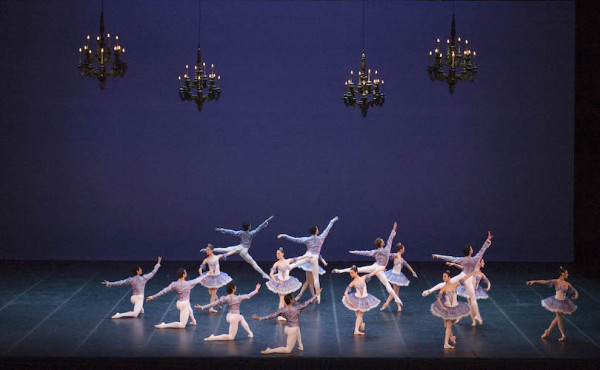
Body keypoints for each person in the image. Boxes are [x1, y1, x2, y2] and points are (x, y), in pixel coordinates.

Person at [332, 222, 403, 311]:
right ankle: (397, 298)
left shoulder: (375, 251)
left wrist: (356, 252)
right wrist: (393, 230)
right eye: (382, 241)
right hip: (379, 268)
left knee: (358, 269)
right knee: (387, 285)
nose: (384, 241)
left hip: (375, 266)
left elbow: (365, 252)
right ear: (381, 244)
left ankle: (340, 270)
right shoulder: (387, 249)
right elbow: (390, 239)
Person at [431, 231, 492, 325]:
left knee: (448, 283)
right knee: (473, 298)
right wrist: (487, 240)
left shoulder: (462, 260)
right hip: (469, 278)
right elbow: (482, 250)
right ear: (470, 251)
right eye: (471, 249)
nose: (472, 249)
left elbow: (450, 258)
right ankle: (478, 316)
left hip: (463, 275)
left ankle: (430, 290)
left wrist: (438, 256)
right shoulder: (475, 259)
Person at [278, 216, 339, 303]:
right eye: (317, 229)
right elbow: (327, 229)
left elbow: (295, 239)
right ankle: (318, 298)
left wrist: (284, 235)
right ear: (316, 231)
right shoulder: (321, 238)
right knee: (316, 278)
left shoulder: (307, 239)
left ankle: (283, 270)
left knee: (295, 264)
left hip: (308, 255)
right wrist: (332, 221)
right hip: (314, 257)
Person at [422, 269, 479, 349]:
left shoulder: (455, 285)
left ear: (449, 277)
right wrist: (442, 307)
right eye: (443, 277)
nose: (443, 278)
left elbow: (465, 278)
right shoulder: (443, 288)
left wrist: (473, 272)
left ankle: (446, 344)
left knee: (448, 326)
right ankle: (451, 337)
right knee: (446, 326)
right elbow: (438, 299)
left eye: (445, 277)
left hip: (454, 309)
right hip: (446, 308)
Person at [252, 289, 321, 354]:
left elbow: (271, 316)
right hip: (292, 330)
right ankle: (270, 350)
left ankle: (300, 345)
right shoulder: (297, 308)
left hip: (287, 328)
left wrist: (260, 318)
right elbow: (307, 302)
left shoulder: (282, 310)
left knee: (297, 328)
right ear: (291, 301)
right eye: (292, 298)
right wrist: (316, 295)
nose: (293, 298)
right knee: (288, 350)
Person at [526, 266, 578, 342]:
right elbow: (545, 281)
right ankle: (563, 335)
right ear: (562, 274)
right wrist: (535, 281)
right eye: (567, 273)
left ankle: (548, 331)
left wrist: (576, 295)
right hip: (556, 302)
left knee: (558, 318)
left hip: (564, 302)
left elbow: (575, 290)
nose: (568, 274)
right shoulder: (556, 281)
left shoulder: (567, 283)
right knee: (559, 318)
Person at [195, 282, 261, 341]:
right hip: (234, 317)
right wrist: (256, 289)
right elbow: (248, 296)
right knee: (231, 337)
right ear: (233, 289)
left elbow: (214, 303)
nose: (236, 288)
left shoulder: (225, 298)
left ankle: (250, 333)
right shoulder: (238, 298)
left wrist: (203, 307)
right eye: (235, 287)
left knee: (241, 317)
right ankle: (213, 337)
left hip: (229, 316)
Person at [266, 248, 311, 320]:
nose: (277, 255)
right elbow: (271, 274)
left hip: (287, 281)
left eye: (279, 253)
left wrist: (306, 256)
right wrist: (275, 281)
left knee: (285, 299)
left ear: (282, 254)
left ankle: (283, 314)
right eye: (276, 254)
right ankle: (280, 316)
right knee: (281, 299)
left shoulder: (288, 261)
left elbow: (298, 258)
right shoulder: (276, 263)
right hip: (280, 282)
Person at [342, 265, 384, 335]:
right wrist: (349, 301)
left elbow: (372, 273)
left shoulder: (363, 278)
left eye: (352, 273)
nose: (350, 274)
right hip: (356, 298)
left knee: (359, 314)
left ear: (356, 272)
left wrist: (380, 270)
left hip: (364, 298)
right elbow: (345, 293)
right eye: (350, 273)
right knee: (358, 314)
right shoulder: (353, 282)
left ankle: (360, 325)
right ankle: (357, 329)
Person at [447, 259, 491, 325]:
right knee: (471, 306)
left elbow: (487, 281)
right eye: (483, 262)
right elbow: (463, 267)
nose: (484, 263)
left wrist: (488, 287)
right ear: (479, 263)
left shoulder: (481, 273)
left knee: (471, 306)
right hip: (469, 289)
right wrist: (454, 264)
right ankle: (473, 320)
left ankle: (462, 316)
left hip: (475, 290)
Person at [199, 244, 237, 313]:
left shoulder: (217, 257)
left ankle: (211, 308)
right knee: (211, 293)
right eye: (206, 250)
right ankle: (218, 303)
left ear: (212, 250)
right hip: (210, 277)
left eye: (208, 250)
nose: (207, 251)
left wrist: (235, 250)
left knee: (213, 294)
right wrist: (202, 277)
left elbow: (227, 254)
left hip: (218, 277)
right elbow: (200, 269)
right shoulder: (206, 260)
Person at [380, 244, 418, 311]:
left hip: (398, 275)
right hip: (394, 275)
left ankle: (398, 307)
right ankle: (386, 304)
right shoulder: (396, 255)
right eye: (403, 249)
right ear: (400, 249)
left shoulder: (402, 258)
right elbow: (388, 255)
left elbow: (407, 265)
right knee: (394, 291)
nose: (404, 250)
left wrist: (413, 272)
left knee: (396, 291)